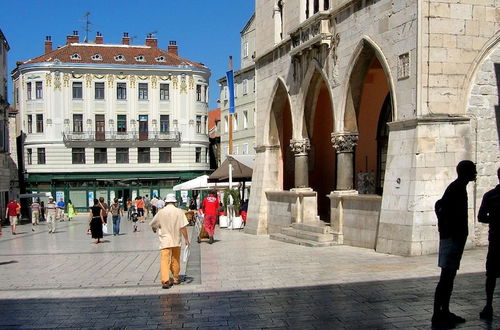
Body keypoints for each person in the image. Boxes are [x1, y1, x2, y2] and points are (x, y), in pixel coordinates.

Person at [432, 160, 477, 327]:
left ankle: (444, 311)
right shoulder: (456, 188)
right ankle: (438, 313)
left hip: (453, 238)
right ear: (465, 172)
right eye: (473, 170)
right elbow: (440, 207)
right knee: (446, 277)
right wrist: (447, 231)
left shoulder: (458, 187)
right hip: (451, 239)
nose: (476, 172)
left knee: (449, 277)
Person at [149, 193, 190, 289]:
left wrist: (155, 229)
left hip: (165, 240)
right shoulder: (179, 212)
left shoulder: (161, 212)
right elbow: (183, 227)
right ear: (175, 202)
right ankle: (175, 278)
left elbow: (153, 225)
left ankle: (166, 280)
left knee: (165, 260)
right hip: (176, 239)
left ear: (166, 202)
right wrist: (187, 239)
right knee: (175, 259)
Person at [478, 167, 500, 320]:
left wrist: (493, 219)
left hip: (495, 239)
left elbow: (481, 217)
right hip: (496, 240)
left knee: (491, 275)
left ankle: (488, 305)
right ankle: (488, 305)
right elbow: (481, 216)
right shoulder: (490, 196)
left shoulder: (489, 196)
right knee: (491, 274)